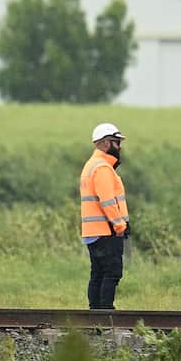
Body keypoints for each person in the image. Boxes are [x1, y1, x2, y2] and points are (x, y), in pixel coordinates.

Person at [80, 122, 129, 310]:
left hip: (93, 231)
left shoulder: (91, 165)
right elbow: (107, 201)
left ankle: (95, 312)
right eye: (117, 142)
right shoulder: (102, 168)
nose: (119, 147)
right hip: (106, 230)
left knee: (98, 273)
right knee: (112, 272)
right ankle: (105, 311)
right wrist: (119, 225)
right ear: (106, 143)